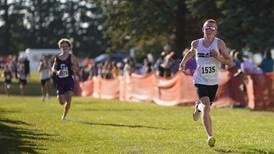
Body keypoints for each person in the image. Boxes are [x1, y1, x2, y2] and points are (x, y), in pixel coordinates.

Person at [179, 19, 233, 147]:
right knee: (207, 107)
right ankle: (210, 136)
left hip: (213, 82)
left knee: (205, 107)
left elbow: (229, 62)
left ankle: (197, 107)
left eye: (212, 28)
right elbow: (191, 53)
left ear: (216, 31)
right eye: (207, 28)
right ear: (203, 29)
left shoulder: (219, 43)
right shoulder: (196, 43)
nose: (209, 30)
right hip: (199, 80)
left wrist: (218, 58)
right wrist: (183, 62)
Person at [51, 38, 78, 120]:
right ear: (60, 47)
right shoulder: (57, 58)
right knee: (62, 102)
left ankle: (64, 116)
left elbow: (77, 67)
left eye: (66, 46)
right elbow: (53, 68)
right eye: (62, 46)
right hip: (60, 81)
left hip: (69, 80)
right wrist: (57, 72)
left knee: (69, 99)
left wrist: (74, 68)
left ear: (69, 47)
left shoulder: (72, 57)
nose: (64, 48)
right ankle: (60, 96)